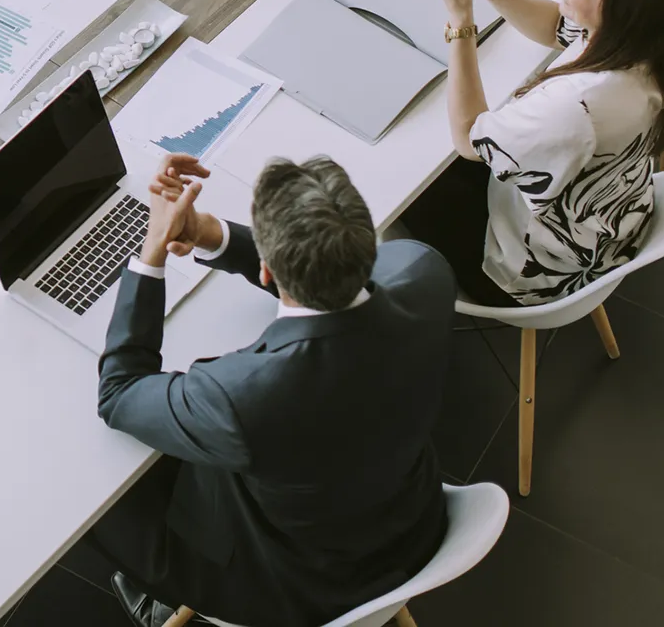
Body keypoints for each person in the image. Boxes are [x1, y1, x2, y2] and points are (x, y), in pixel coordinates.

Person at [93, 153, 452, 627]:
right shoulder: (425, 273)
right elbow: (332, 285)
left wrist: (152, 252)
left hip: (302, 587)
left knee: (102, 505)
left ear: (265, 270)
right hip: (414, 528)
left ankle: (161, 603)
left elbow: (118, 391)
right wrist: (207, 233)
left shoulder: (240, 397)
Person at [403, 0, 664, 306]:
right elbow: (558, 28)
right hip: (607, 221)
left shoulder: (577, 106)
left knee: (404, 181)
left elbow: (467, 136)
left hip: (533, 270)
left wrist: (462, 23)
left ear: (616, 7)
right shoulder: (655, 43)